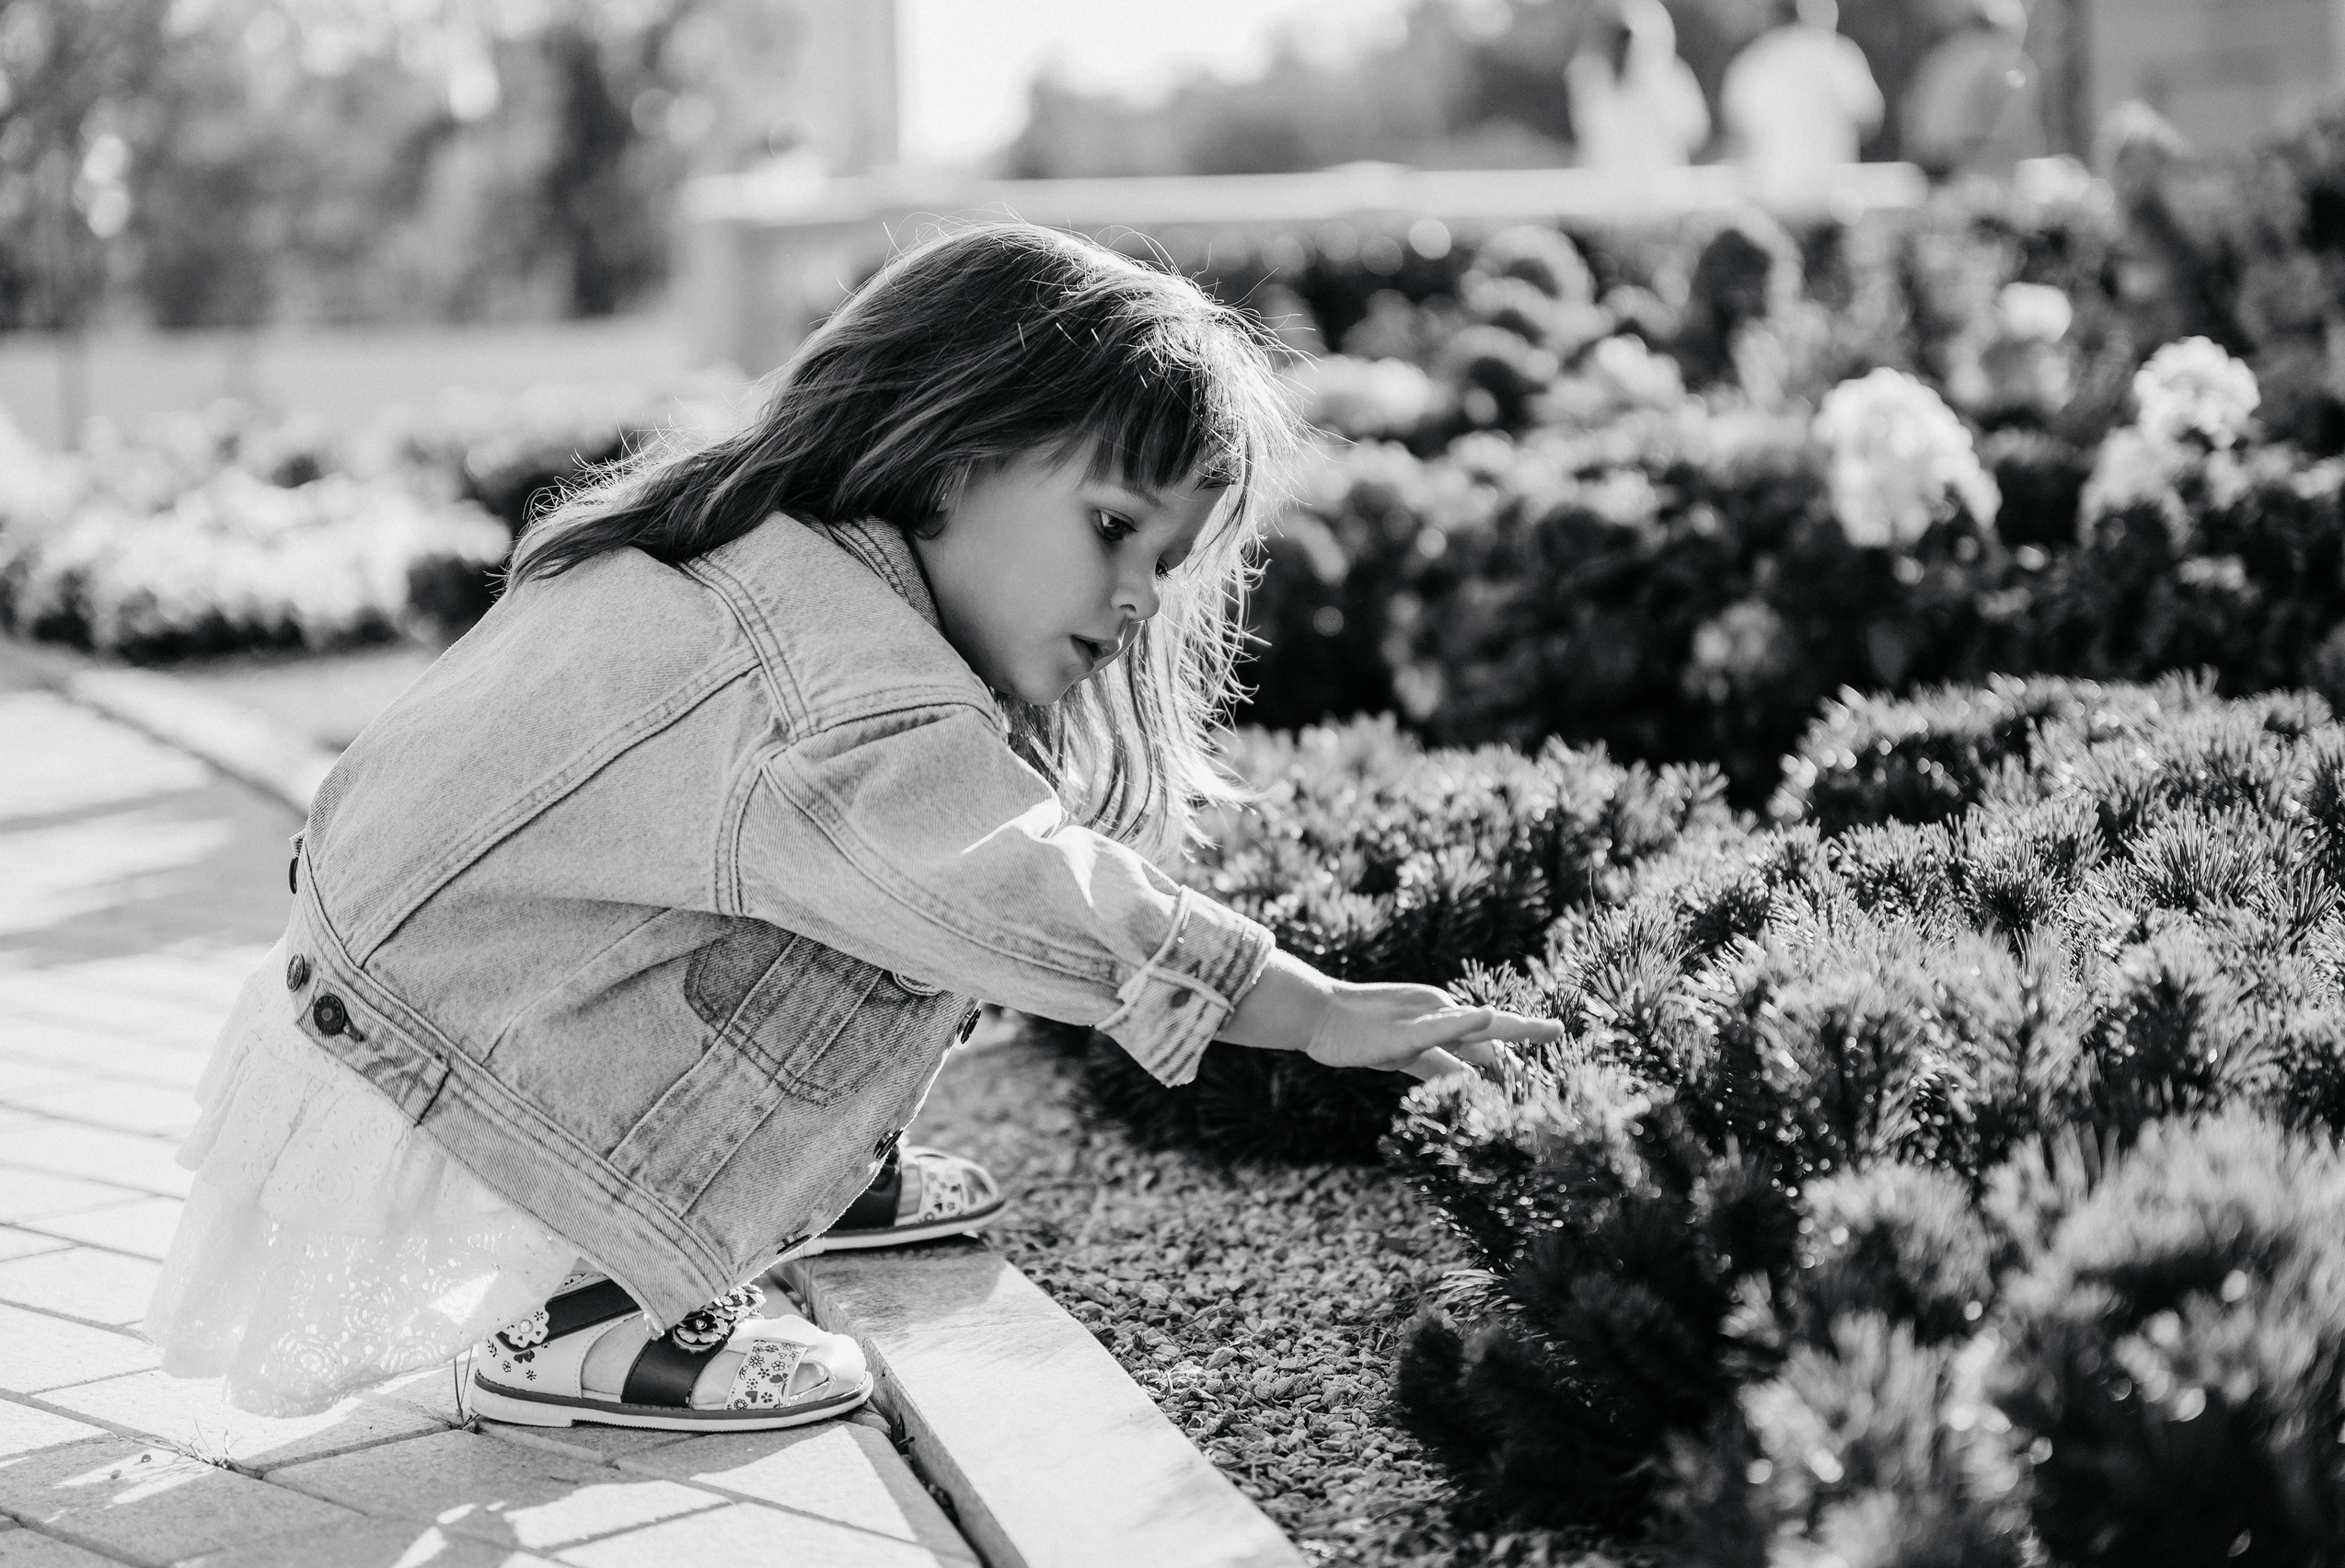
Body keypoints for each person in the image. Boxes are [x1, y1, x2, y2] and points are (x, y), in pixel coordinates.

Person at [144, 223, 1564, 1430]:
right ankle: (581, 1321)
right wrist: (1297, 1005)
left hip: (402, 999)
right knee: (925, 868)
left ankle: (816, 1174)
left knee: (866, 863)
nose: (1138, 599)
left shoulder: (770, 555)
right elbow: (1009, 887)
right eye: (1114, 527)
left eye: (1166, 563)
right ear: (953, 461)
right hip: (454, 1073)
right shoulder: (843, 692)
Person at [1719, 0, 1884, 192]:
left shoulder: (1751, 62)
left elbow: (1738, 137)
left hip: (1772, 193)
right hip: (1830, 193)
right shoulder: (1838, 55)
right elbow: (1870, 119)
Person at [1900, 0, 2048, 180]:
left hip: (1932, 164)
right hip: (1968, 167)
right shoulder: (2000, 62)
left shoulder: (1943, 57)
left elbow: (1912, 118)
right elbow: (2011, 130)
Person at [1566, 0, 1711, 175]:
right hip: (1605, 184)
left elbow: (1693, 133)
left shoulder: (1670, 79)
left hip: (1658, 186)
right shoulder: (1589, 76)